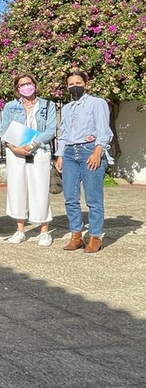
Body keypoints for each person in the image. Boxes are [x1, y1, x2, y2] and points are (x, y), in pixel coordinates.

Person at [55, 71, 113, 253]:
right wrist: (61, 155)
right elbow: (63, 133)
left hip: (90, 150)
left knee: (93, 198)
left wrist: (98, 150)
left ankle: (95, 236)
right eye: (70, 84)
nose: (74, 86)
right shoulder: (66, 108)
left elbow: (104, 129)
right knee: (70, 197)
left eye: (78, 82)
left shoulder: (98, 103)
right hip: (70, 152)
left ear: (86, 84)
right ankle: (76, 235)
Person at [0, 74, 57, 246]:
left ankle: (44, 231)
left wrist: (32, 145)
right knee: (17, 189)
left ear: (34, 84)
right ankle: (20, 229)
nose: (25, 87)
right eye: (21, 84)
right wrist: (14, 147)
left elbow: (50, 130)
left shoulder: (48, 105)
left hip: (39, 151)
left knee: (40, 188)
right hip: (16, 152)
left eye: (28, 83)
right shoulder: (10, 107)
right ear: (17, 88)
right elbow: (4, 130)